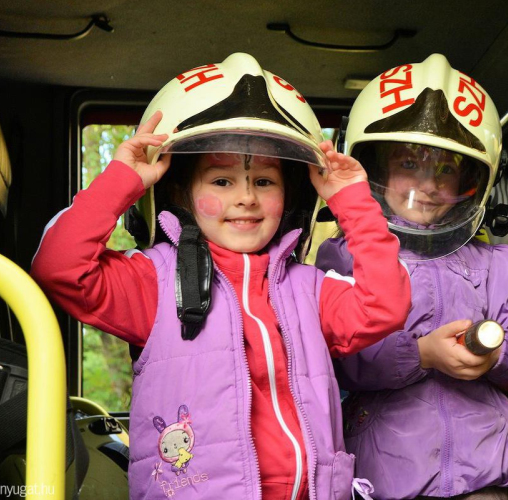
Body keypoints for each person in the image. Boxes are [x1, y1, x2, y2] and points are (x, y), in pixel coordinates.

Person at [31, 53, 410, 500]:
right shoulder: (154, 280)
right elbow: (59, 268)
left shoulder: (309, 288)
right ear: (182, 194)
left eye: (265, 182)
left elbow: (384, 305)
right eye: (222, 181)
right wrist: (123, 180)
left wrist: (352, 202)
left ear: (290, 196)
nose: (246, 198)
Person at [315, 54, 508, 500]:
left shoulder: (494, 261)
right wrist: (421, 355)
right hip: (386, 485)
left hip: (486, 481)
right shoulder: (344, 257)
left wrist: (494, 352)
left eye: (445, 170)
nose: (428, 185)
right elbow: (335, 360)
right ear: (377, 170)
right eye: (409, 165)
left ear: (472, 181)